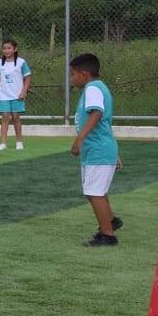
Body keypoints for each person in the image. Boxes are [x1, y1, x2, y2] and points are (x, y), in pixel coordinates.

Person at [69, 52, 123, 247]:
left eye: (72, 74)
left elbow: (97, 114)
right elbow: (105, 124)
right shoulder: (96, 88)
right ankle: (110, 220)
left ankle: (107, 235)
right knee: (92, 190)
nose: (71, 79)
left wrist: (80, 138)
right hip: (97, 149)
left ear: (84, 74)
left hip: (98, 149)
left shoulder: (92, 88)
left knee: (95, 192)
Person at [0, 38, 32, 151]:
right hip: (4, 95)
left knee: (16, 117)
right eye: (4, 48)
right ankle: (3, 143)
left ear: (15, 49)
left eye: (9, 48)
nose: (6, 50)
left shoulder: (21, 62)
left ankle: (19, 142)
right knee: (5, 117)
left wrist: (24, 91)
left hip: (17, 95)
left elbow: (27, 77)